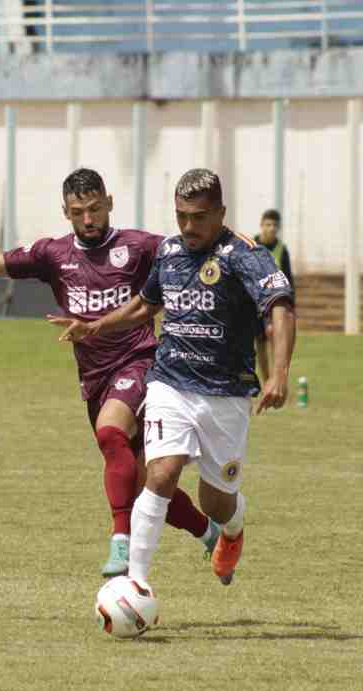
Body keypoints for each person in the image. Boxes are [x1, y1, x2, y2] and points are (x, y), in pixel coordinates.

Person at [0, 168, 219, 575]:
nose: (88, 219)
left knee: (110, 433)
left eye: (94, 209)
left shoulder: (139, 246)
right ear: (65, 213)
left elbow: (192, 249)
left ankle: (120, 544)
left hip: (140, 362)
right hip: (94, 378)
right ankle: (208, 533)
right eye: (77, 212)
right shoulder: (54, 255)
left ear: (109, 203)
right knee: (143, 483)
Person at [50, 169, 297, 586]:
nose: (188, 226)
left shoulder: (246, 255)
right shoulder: (169, 251)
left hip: (226, 391)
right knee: (160, 473)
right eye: (181, 215)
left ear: (220, 212)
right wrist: (95, 326)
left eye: (198, 217)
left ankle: (231, 530)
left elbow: (281, 307)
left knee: (215, 500)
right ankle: (136, 585)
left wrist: (279, 373)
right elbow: (144, 306)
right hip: (168, 381)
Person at [255, 209, 294, 288]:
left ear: (279, 227)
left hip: (274, 296)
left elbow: (287, 277)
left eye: (275, 225)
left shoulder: (282, 249)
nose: (272, 228)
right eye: (268, 225)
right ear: (261, 225)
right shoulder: (250, 246)